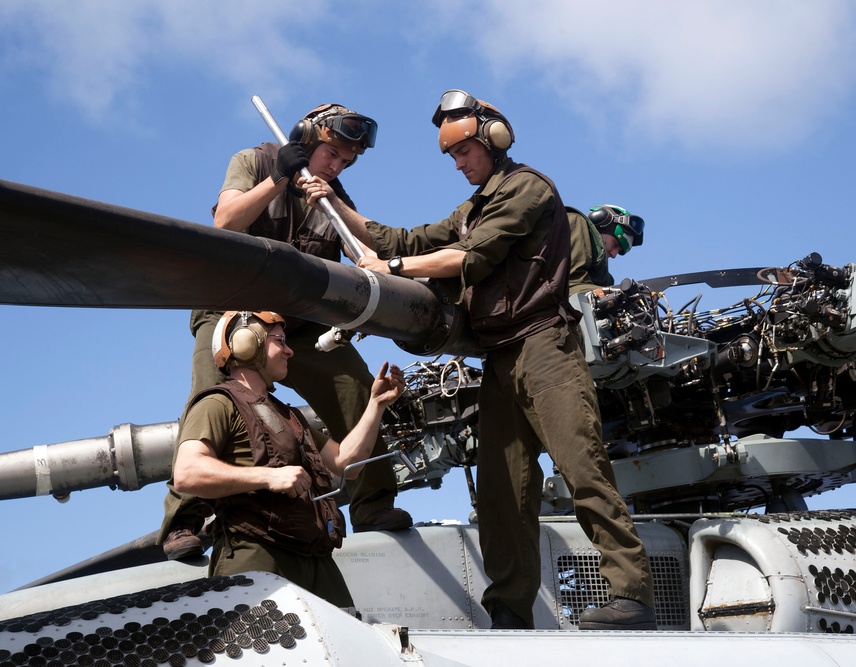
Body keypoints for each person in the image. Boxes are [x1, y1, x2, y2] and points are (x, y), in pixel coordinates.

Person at [323, 89, 656, 631]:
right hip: (499, 359)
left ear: (492, 139)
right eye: (451, 157)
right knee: (501, 491)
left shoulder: (528, 188)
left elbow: (472, 259)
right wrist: (332, 198)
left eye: (463, 153)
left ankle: (631, 594)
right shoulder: (471, 208)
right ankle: (509, 611)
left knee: (581, 469)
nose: (457, 165)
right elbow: (404, 237)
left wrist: (394, 265)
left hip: (544, 347)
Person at [159, 103, 412, 561]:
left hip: (296, 327)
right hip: (230, 314)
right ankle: (185, 519)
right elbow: (226, 221)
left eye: (346, 162)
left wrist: (335, 206)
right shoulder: (255, 162)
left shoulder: (335, 197)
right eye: (332, 154)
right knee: (211, 397)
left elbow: (366, 256)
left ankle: (374, 503)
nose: (336, 167)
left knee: (356, 387)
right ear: (308, 137)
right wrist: (278, 175)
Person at [172, 310, 404, 606]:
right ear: (247, 343)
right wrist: (269, 477)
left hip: (315, 559)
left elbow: (347, 462)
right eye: (280, 341)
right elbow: (188, 472)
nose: (290, 350)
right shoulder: (217, 404)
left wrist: (376, 405)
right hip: (258, 555)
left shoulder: (290, 417)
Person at [567, 204, 645, 295]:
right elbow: (571, 281)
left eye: (619, 251)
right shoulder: (576, 221)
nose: (614, 255)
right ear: (600, 220)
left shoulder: (605, 278)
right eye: (615, 244)